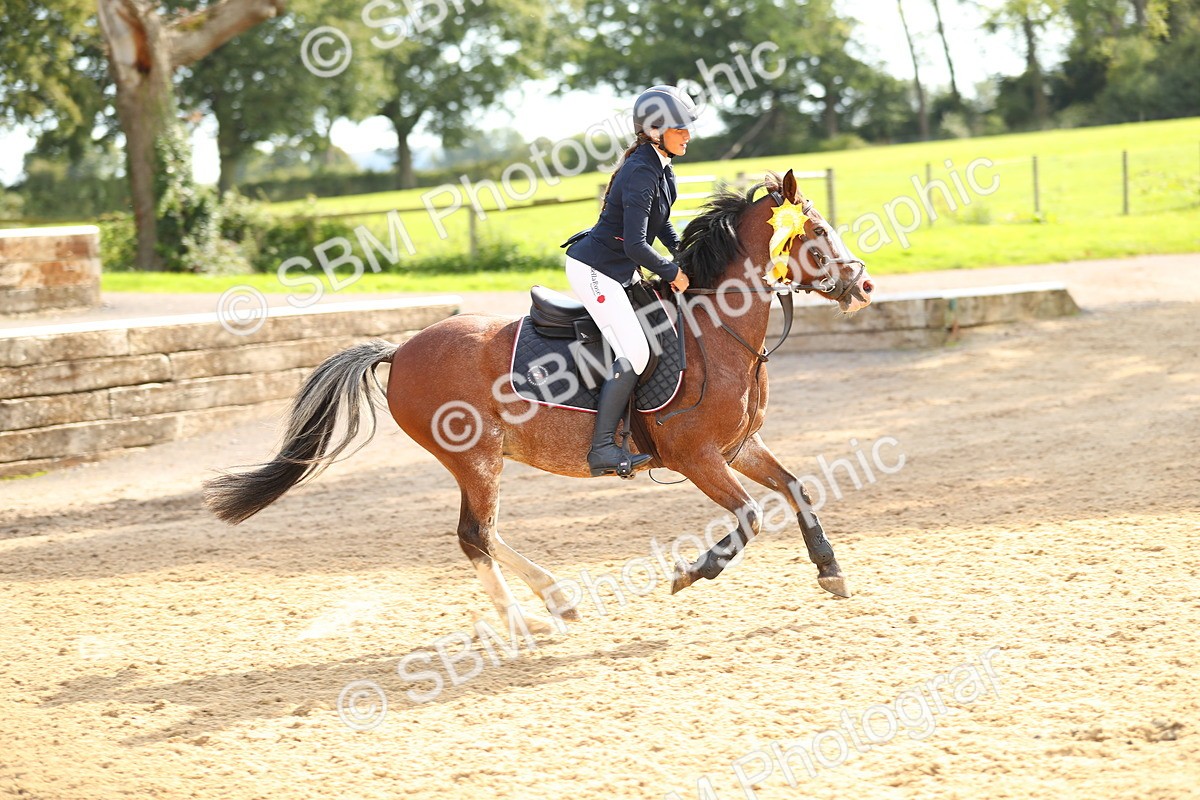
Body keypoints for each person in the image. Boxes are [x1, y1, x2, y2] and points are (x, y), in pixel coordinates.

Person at [565, 85, 696, 478]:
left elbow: (661, 225)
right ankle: (603, 448)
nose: (688, 135)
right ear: (655, 130)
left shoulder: (660, 165)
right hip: (596, 272)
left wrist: (685, 255)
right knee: (636, 353)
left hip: (618, 269)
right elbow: (638, 245)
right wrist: (673, 273)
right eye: (680, 129)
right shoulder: (641, 169)